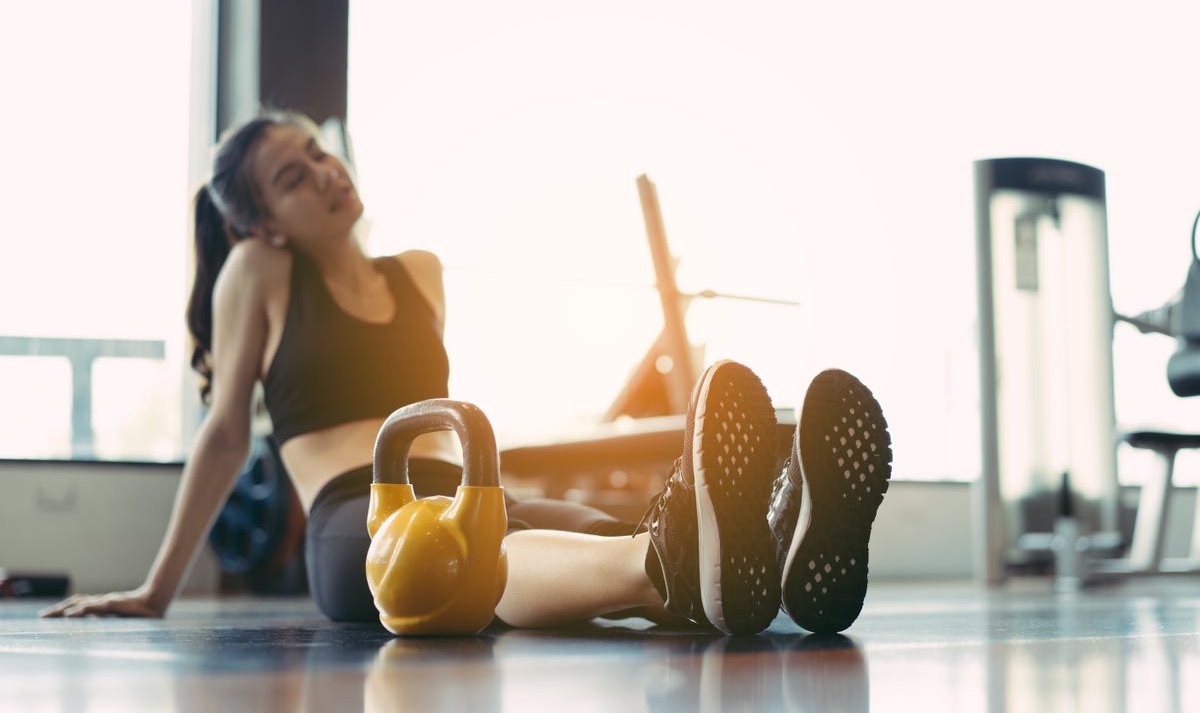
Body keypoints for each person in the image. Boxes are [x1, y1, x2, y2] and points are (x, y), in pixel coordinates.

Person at [40, 110, 892, 635]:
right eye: (292, 179)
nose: (324, 175)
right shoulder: (261, 276)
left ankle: (775, 563)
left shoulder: (421, 274)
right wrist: (156, 591)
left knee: (600, 539)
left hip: (479, 489)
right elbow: (225, 435)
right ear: (266, 225)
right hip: (361, 517)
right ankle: (681, 564)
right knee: (481, 561)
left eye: (317, 154)